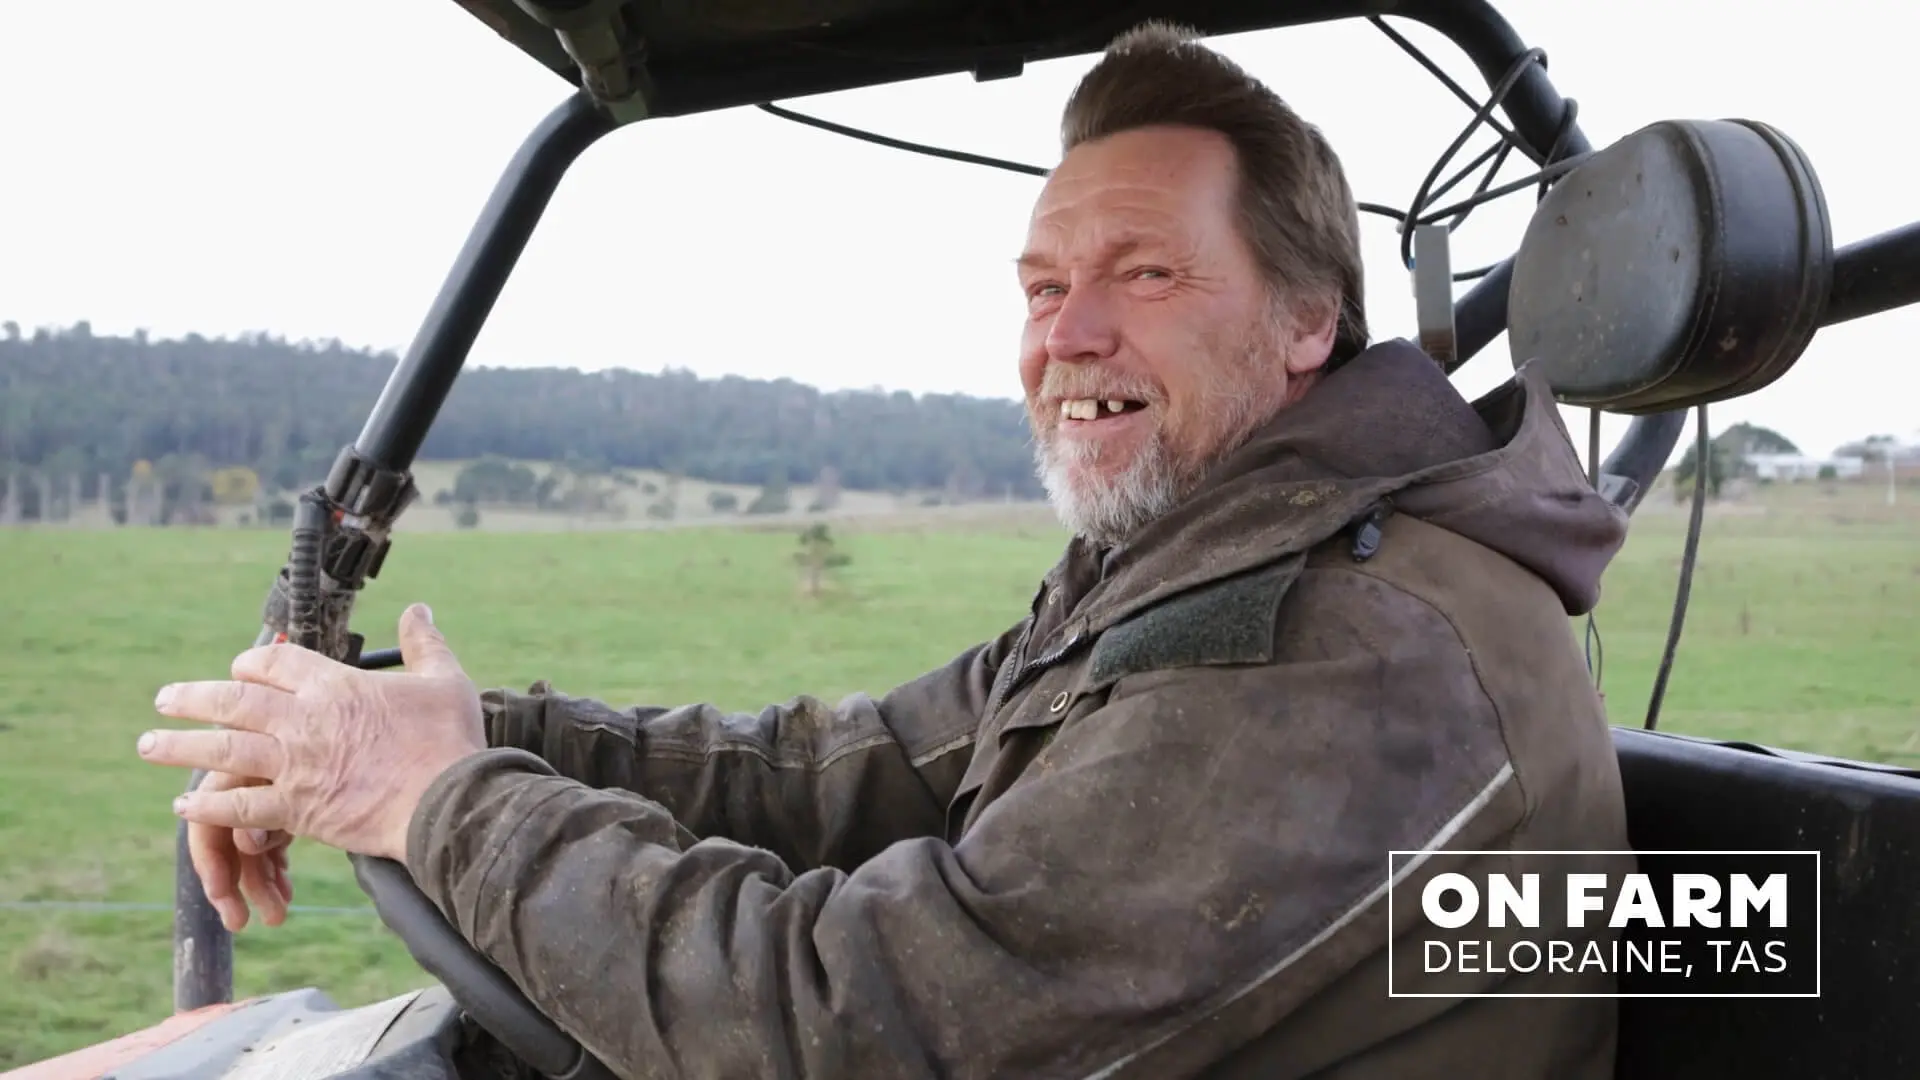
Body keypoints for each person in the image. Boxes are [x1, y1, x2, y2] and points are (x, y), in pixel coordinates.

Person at [138, 21, 1636, 1079]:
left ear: (1309, 323)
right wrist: (428, 738)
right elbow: (845, 772)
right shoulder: (1205, 561)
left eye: (1147, 274)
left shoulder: (1348, 653)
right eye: (1044, 285)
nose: (1071, 334)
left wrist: (443, 805)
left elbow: (850, 1029)